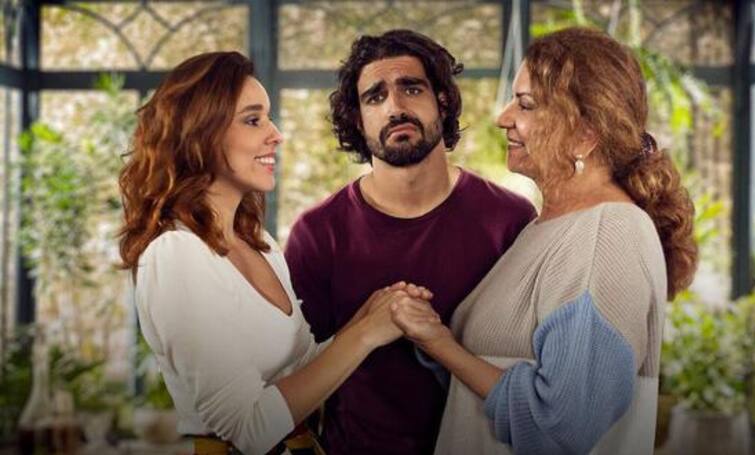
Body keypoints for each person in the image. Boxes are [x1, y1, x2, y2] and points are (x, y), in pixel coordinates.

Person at [391, 27, 699, 455]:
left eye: (526, 104)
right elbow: (487, 385)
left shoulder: (606, 234)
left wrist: (440, 345)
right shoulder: (544, 228)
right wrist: (432, 332)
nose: (503, 118)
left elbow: (560, 426)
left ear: (584, 135)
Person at [118, 51, 434, 455]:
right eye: (253, 120)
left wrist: (373, 313)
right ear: (200, 134)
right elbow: (246, 430)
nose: (276, 134)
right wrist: (365, 335)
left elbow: (303, 372)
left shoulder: (259, 244)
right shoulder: (175, 255)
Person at [284, 30, 536, 454]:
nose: (395, 107)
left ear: (442, 101)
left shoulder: (510, 220)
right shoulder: (317, 233)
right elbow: (297, 381)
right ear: (358, 120)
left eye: (412, 89)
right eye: (374, 97)